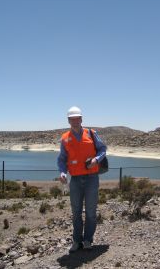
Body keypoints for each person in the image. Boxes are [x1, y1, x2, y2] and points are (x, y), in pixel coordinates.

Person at [57, 106, 107, 253]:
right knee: (76, 212)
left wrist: (96, 160)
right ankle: (77, 241)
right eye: (72, 119)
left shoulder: (91, 133)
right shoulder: (65, 138)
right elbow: (62, 159)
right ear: (68, 120)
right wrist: (62, 172)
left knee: (91, 212)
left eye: (77, 118)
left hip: (92, 178)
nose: (75, 121)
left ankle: (87, 241)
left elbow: (103, 150)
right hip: (75, 180)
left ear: (81, 119)